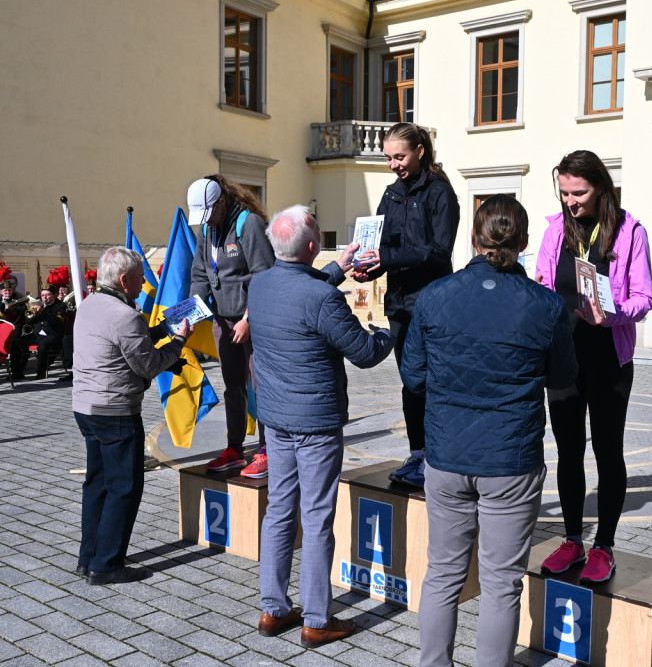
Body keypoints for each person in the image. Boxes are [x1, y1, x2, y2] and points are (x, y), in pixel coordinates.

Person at [401, 195, 576, 667]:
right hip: (509, 460)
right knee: (501, 582)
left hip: (447, 453)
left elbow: (413, 376)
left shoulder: (436, 295)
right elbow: (562, 378)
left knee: (443, 574)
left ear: (474, 238)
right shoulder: (547, 305)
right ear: (523, 242)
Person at [249, 206, 393, 648]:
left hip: (276, 419)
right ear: (312, 246)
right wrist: (388, 330)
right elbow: (365, 353)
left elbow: (299, 289)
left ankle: (273, 609)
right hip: (315, 423)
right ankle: (316, 617)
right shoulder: (322, 298)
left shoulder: (259, 284)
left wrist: (337, 268)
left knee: (279, 510)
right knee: (315, 517)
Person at [536, 150, 652, 583]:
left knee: (608, 453)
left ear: (600, 186)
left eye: (579, 193)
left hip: (609, 360)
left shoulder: (629, 231)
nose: (571, 201)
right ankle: (571, 540)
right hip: (564, 360)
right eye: (565, 192)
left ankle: (604, 545)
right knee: (569, 452)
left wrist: (615, 314)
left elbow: (645, 298)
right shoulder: (555, 230)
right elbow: (544, 284)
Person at [72, 246, 193, 585]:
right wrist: (179, 340)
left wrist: (160, 329)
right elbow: (150, 364)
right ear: (124, 280)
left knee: (96, 483)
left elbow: (125, 341)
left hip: (86, 408)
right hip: (116, 411)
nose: (143, 285)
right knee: (124, 487)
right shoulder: (126, 316)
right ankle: (106, 565)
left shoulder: (91, 304)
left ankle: (89, 557)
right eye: (140, 279)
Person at [352, 122, 460, 488]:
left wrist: (387, 256)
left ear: (420, 152)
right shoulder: (390, 194)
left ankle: (438, 457)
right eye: (388, 158)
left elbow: (438, 252)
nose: (393, 164)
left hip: (434, 305)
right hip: (399, 305)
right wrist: (369, 267)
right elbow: (381, 246)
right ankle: (417, 455)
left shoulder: (440, 193)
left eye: (399, 156)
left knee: (431, 383)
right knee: (409, 383)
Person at [188, 175, 275, 478]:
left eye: (209, 213)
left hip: (254, 319)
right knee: (232, 386)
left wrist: (249, 319)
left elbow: (264, 275)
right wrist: (192, 310)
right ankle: (234, 447)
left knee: (261, 386)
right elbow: (200, 274)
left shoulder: (248, 224)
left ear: (221, 202)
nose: (206, 221)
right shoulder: (206, 231)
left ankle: (268, 449)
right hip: (223, 321)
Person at [12, 269, 67, 380]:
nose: (44, 298)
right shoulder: (38, 304)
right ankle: (17, 372)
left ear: (55, 295)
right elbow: (28, 323)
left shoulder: (60, 306)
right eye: (42, 295)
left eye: (47, 295)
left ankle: (40, 373)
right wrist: (33, 315)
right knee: (15, 342)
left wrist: (43, 312)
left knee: (43, 346)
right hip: (36, 335)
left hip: (51, 336)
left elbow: (57, 323)